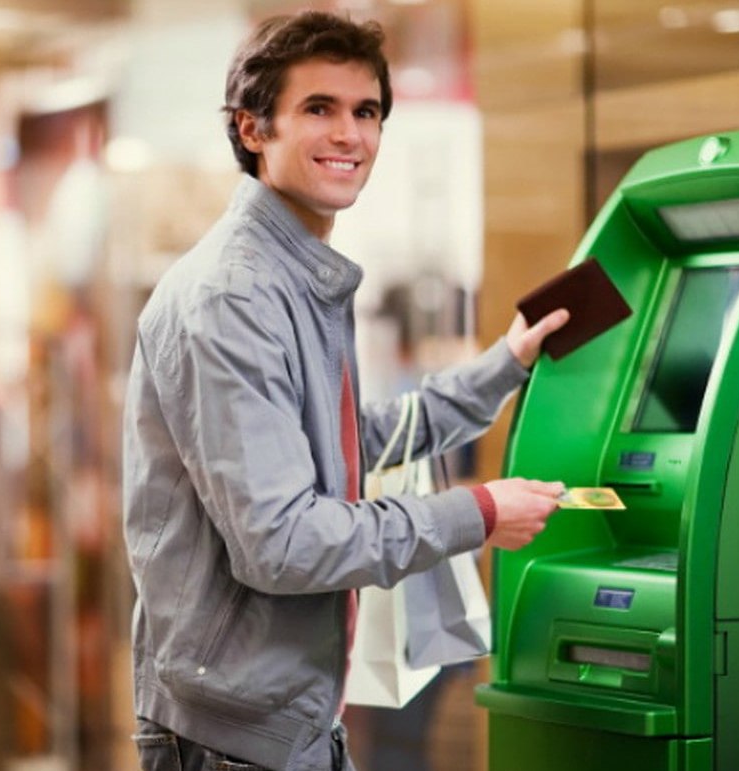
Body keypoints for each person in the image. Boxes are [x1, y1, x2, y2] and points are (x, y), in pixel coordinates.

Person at [122, 10, 569, 771]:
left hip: (283, 716)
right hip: (232, 738)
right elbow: (283, 542)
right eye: (318, 109)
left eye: (366, 112)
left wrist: (506, 363)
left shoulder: (297, 278)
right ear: (253, 130)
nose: (350, 135)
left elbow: (355, 441)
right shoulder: (236, 295)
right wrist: (478, 512)